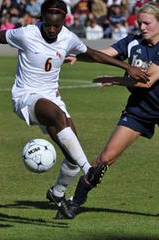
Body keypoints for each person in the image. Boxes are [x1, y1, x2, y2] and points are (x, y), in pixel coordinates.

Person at [0, 0, 148, 219]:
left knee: (71, 153)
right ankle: (88, 170)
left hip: (52, 96)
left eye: (56, 26)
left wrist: (126, 67)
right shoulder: (26, 34)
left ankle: (57, 192)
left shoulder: (68, 37)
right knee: (57, 116)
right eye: (47, 25)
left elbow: (92, 54)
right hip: (26, 96)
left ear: (64, 21)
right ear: (41, 19)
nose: (52, 30)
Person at [59, 3, 159, 219]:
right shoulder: (133, 42)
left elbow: (147, 81)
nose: (142, 27)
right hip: (139, 110)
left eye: (147, 23)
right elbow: (105, 53)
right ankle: (74, 204)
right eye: (139, 22)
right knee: (103, 159)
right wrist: (79, 56)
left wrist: (113, 80)